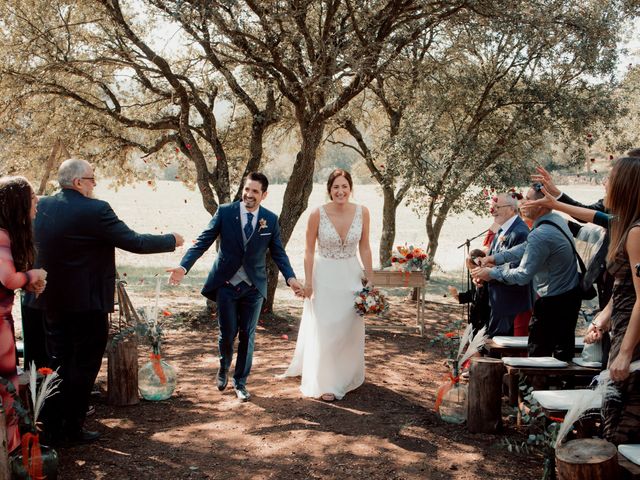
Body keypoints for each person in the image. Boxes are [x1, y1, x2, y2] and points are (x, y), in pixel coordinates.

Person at [32, 159, 183, 444]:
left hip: (49, 301)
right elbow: (134, 242)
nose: (94, 184)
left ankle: (51, 425)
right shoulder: (96, 210)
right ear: (78, 182)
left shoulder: (43, 206)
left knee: (58, 362)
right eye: (92, 179)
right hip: (88, 305)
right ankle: (72, 428)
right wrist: (171, 239)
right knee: (85, 365)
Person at [529, 157, 640, 444]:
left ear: (626, 186)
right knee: (614, 417)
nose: (604, 183)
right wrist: (604, 316)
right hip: (620, 328)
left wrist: (626, 353)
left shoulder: (637, 232)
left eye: (610, 178)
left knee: (624, 424)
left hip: (633, 339)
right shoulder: (624, 222)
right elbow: (595, 217)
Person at [168, 172, 303, 402]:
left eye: (255, 191)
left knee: (248, 335)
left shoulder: (270, 219)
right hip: (227, 285)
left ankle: (240, 382)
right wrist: (183, 267)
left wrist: (291, 279)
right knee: (227, 334)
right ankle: (223, 368)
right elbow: (203, 242)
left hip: (253, 288)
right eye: (247, 190)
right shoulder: (225, 212)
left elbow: (279, 253)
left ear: (264, 195)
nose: (249, 195)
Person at [280, 169, 374, 402]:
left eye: (344, 186)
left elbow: (365, 247)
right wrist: (309, 282)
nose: (340, 191)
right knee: (326, 329)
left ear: (350, 188)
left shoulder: (363, 212)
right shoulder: (317, 214)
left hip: (351, 276)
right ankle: (326, 382)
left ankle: (346, 374)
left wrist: (370, 279)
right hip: (324, 277)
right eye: (335, 187)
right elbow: (309, 249)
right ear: (329, 190)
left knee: (348, 327)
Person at [472, 184, 581, 361]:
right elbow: (526, 247)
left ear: (542, 204)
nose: (522, 202)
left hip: (553, 302)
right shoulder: (555, 220)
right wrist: (494, 259)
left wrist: (492, 274)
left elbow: (523, 275)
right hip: (568, 296)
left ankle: (535, 387)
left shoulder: (541, 233)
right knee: (561, 351)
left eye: (529, 199)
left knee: (539, 356)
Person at [0, 176, 47, 452]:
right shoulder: (2, 235)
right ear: (18, 204)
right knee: (7, 385)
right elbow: (7, 278)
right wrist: (34, 274)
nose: (37, 205)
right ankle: (12, 450)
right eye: (32, 199)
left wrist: (28, 283)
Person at [483, 193, 532, 337]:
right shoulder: (502, 229)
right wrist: (481, 273)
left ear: (512, 208)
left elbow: (517, 268)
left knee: (503, 348)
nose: (493, 210)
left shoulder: (520, 232)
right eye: (493, 207)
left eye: (498, 207)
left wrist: (489, 273)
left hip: (511, 303)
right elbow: (492, 258)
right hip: (499, 300)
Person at [448, 249, 491, 335]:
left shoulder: (489, 280)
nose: (471, 272)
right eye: (469, 269)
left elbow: (483, 300)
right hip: (475, 318)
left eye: (473, 268)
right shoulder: (476, 278)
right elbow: (473, 294)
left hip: (485, 320)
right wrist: (457, 295)